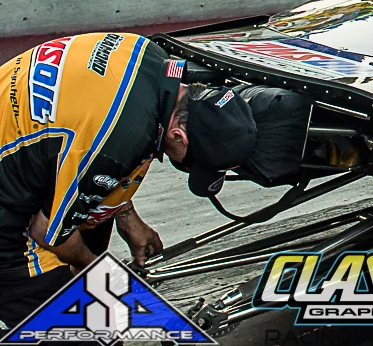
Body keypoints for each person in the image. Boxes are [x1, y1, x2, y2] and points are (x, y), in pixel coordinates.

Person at [0, 34, 258, 328]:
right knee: (81, 331)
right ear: (179, 136)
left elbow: (92, 134)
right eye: (192, 163)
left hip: (22, 141)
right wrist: (93, 268)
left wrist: (126, 216)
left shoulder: (150, 56)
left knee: (96, 297)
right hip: (14, 206)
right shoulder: (118, 142)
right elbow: (48, 231)